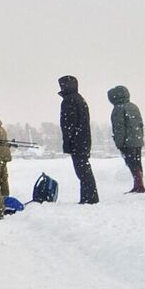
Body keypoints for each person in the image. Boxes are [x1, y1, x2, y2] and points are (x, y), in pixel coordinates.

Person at [59, 75, 99, 204]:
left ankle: (89, 198)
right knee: (84, 169)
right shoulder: (79, 99)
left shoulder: (68, 101)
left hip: (76, 141)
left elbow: (68, 124)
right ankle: (89, 196)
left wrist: (67, 142)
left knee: (82, 171)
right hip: (84, 139)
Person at [110, 85, 145, 193]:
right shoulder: (133, 106)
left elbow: (119, 128)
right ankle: (139, 184)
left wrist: (119, 143)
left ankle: (139, 186)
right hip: (137, 141)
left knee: (131, 163)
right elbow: (140, 124)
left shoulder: (118, 108)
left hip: (127, 142)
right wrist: (140, 138)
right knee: (137, 163)